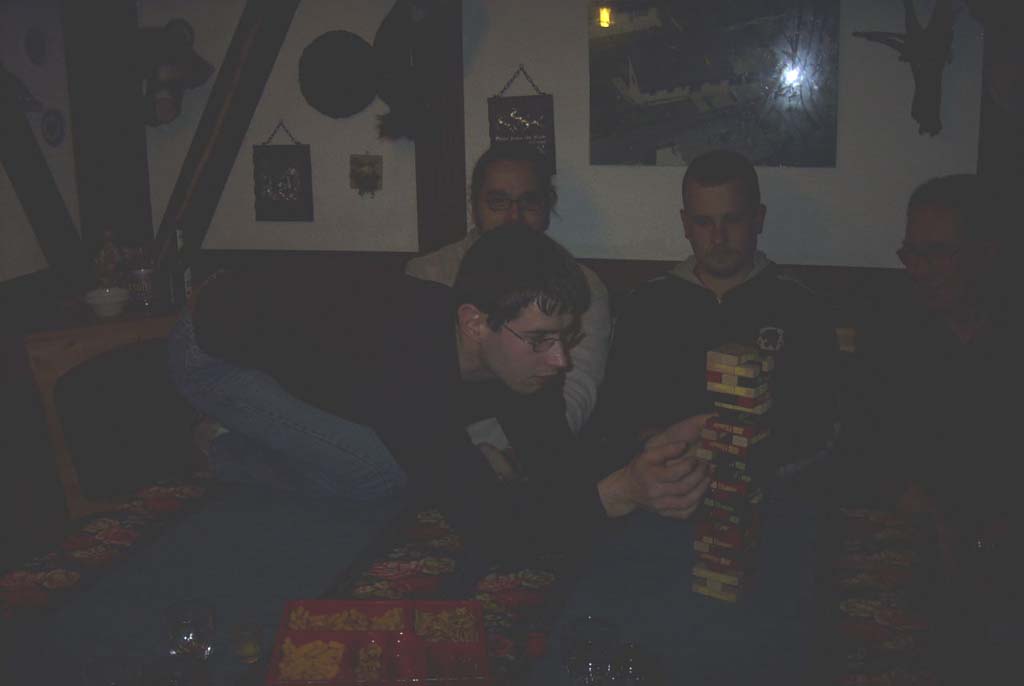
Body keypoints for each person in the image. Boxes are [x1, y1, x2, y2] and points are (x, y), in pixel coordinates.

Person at [169, 224, 711, 556]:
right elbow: (488, 529)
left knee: (399, 453)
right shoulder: (407, 361)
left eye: (566, 338)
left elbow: (556, 465)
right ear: (475, 324)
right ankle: (223, 446)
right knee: (378, 472)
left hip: (306, 351)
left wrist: (650, 450)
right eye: (542, 340)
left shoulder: (519, 351)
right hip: (214, 351)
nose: (560, 360)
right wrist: (617, 494)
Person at [859, 174, 1020, 682]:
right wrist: (920, 507)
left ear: (984, 253)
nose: (920, 269)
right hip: (926, 528)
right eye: (912, 253)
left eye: (938, 253)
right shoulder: (892, 328)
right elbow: (867, 445)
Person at [591, 149, 838, 478]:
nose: (718, 238)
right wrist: (662, 447)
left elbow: (819, 424)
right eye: (703, 222)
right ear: (686, 224)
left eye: (732, 220)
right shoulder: (646, 305)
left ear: (758, 219)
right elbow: (615, 416)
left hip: (769, 485)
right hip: (666, 479)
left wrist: (744, 456)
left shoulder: (800, 307)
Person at [406, 142, 612, 435]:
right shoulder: (428, 274)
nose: (514, 216)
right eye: (498, 202)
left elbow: (575, 394)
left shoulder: (582, 285)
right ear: (474, 204)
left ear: (547, 205)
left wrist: (510, 451)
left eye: (529, 202)